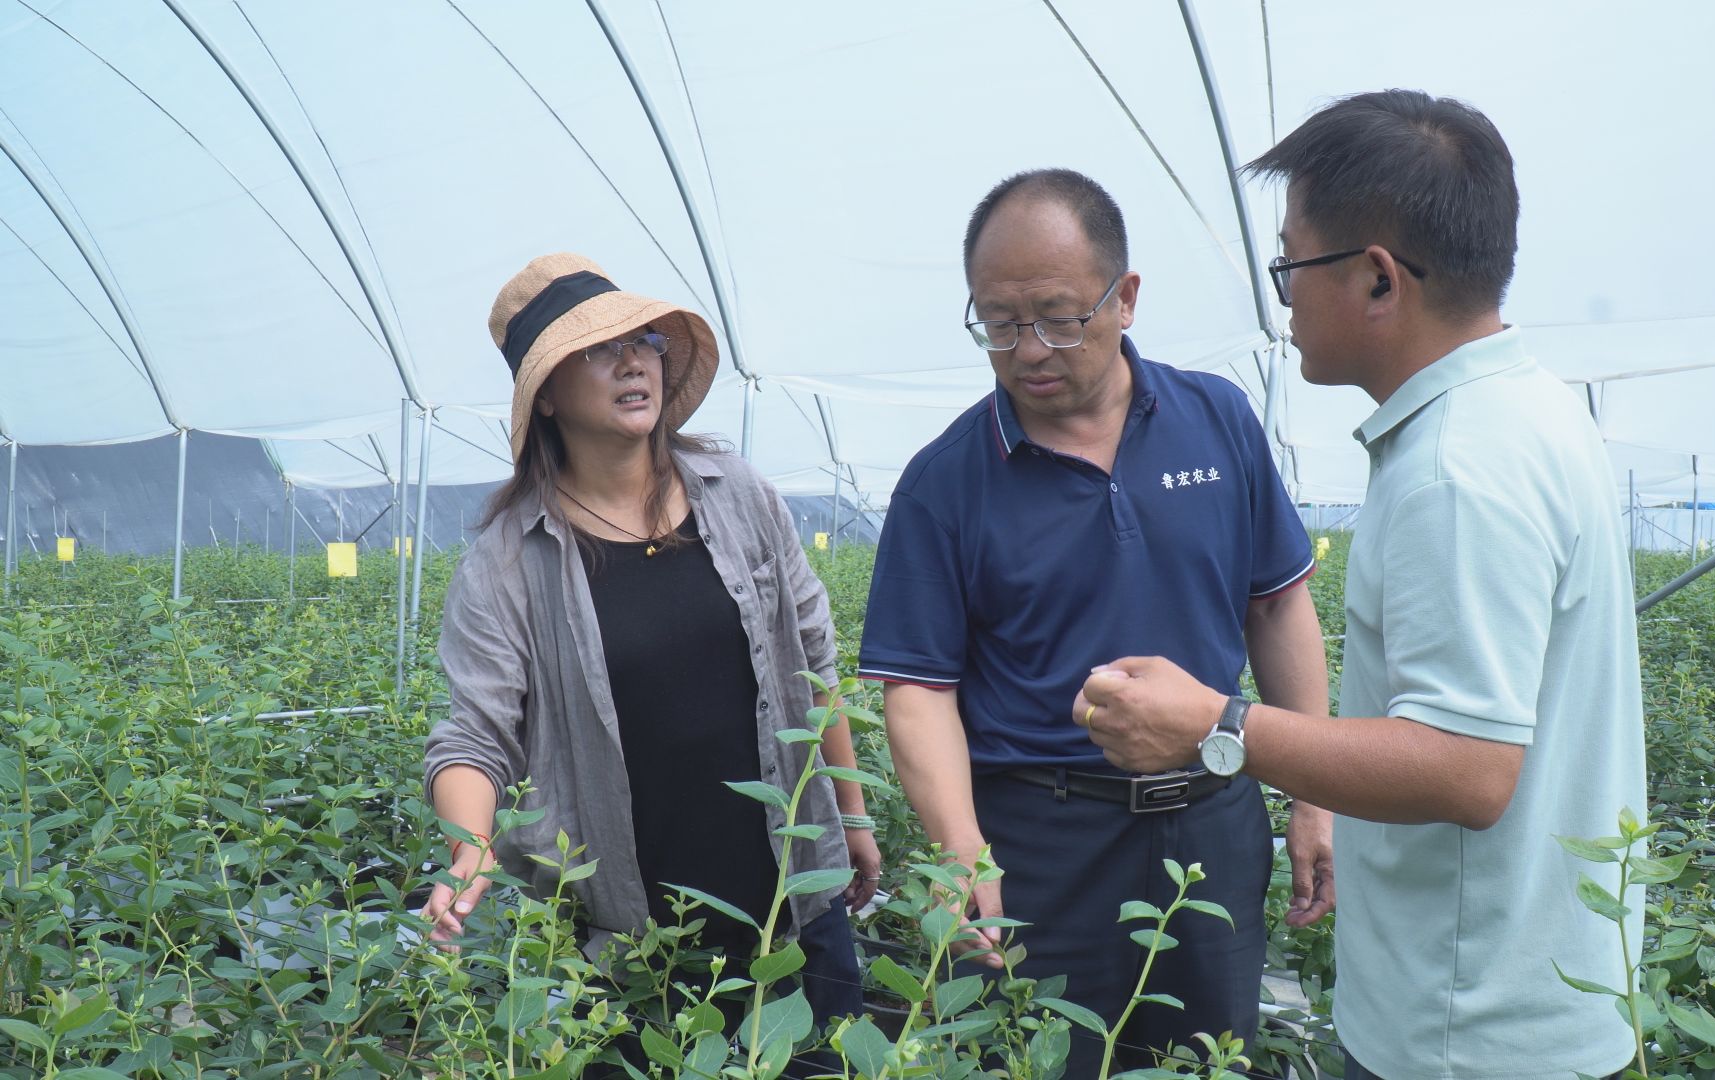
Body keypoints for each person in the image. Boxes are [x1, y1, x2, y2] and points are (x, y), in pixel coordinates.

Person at [1073, 91, 1646, 1080]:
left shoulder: (1456, 469)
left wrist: (1215, 723)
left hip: (1465, 1034)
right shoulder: (1533, 412)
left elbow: (1466, 770)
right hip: (1538, 996)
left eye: (1291, 265)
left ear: (1378, 278)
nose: (1284, 298)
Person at [858, 170, 1332, 1078]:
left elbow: (1275, 604)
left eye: (1058, 317)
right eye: (999, 323)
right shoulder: (945, 480)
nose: (1029, 349)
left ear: (1125, 298)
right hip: (1040, 844)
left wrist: (1313, 796)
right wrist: (963, 854)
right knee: (1040, 1056)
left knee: (1209, 1057)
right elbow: (919, 689)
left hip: (1212, 826)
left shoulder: (1217, 421)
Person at [420, 253, 880, 1048]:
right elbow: (473, 738)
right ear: (547, 395)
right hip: (638, 935)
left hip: (791, 894)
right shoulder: (510, 562)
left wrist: (853, 819)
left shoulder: (737, 495)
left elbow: (812, 668)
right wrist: (473, 849)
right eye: (598, 350)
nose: (633, 360)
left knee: (824, 1057)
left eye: (643, 341)